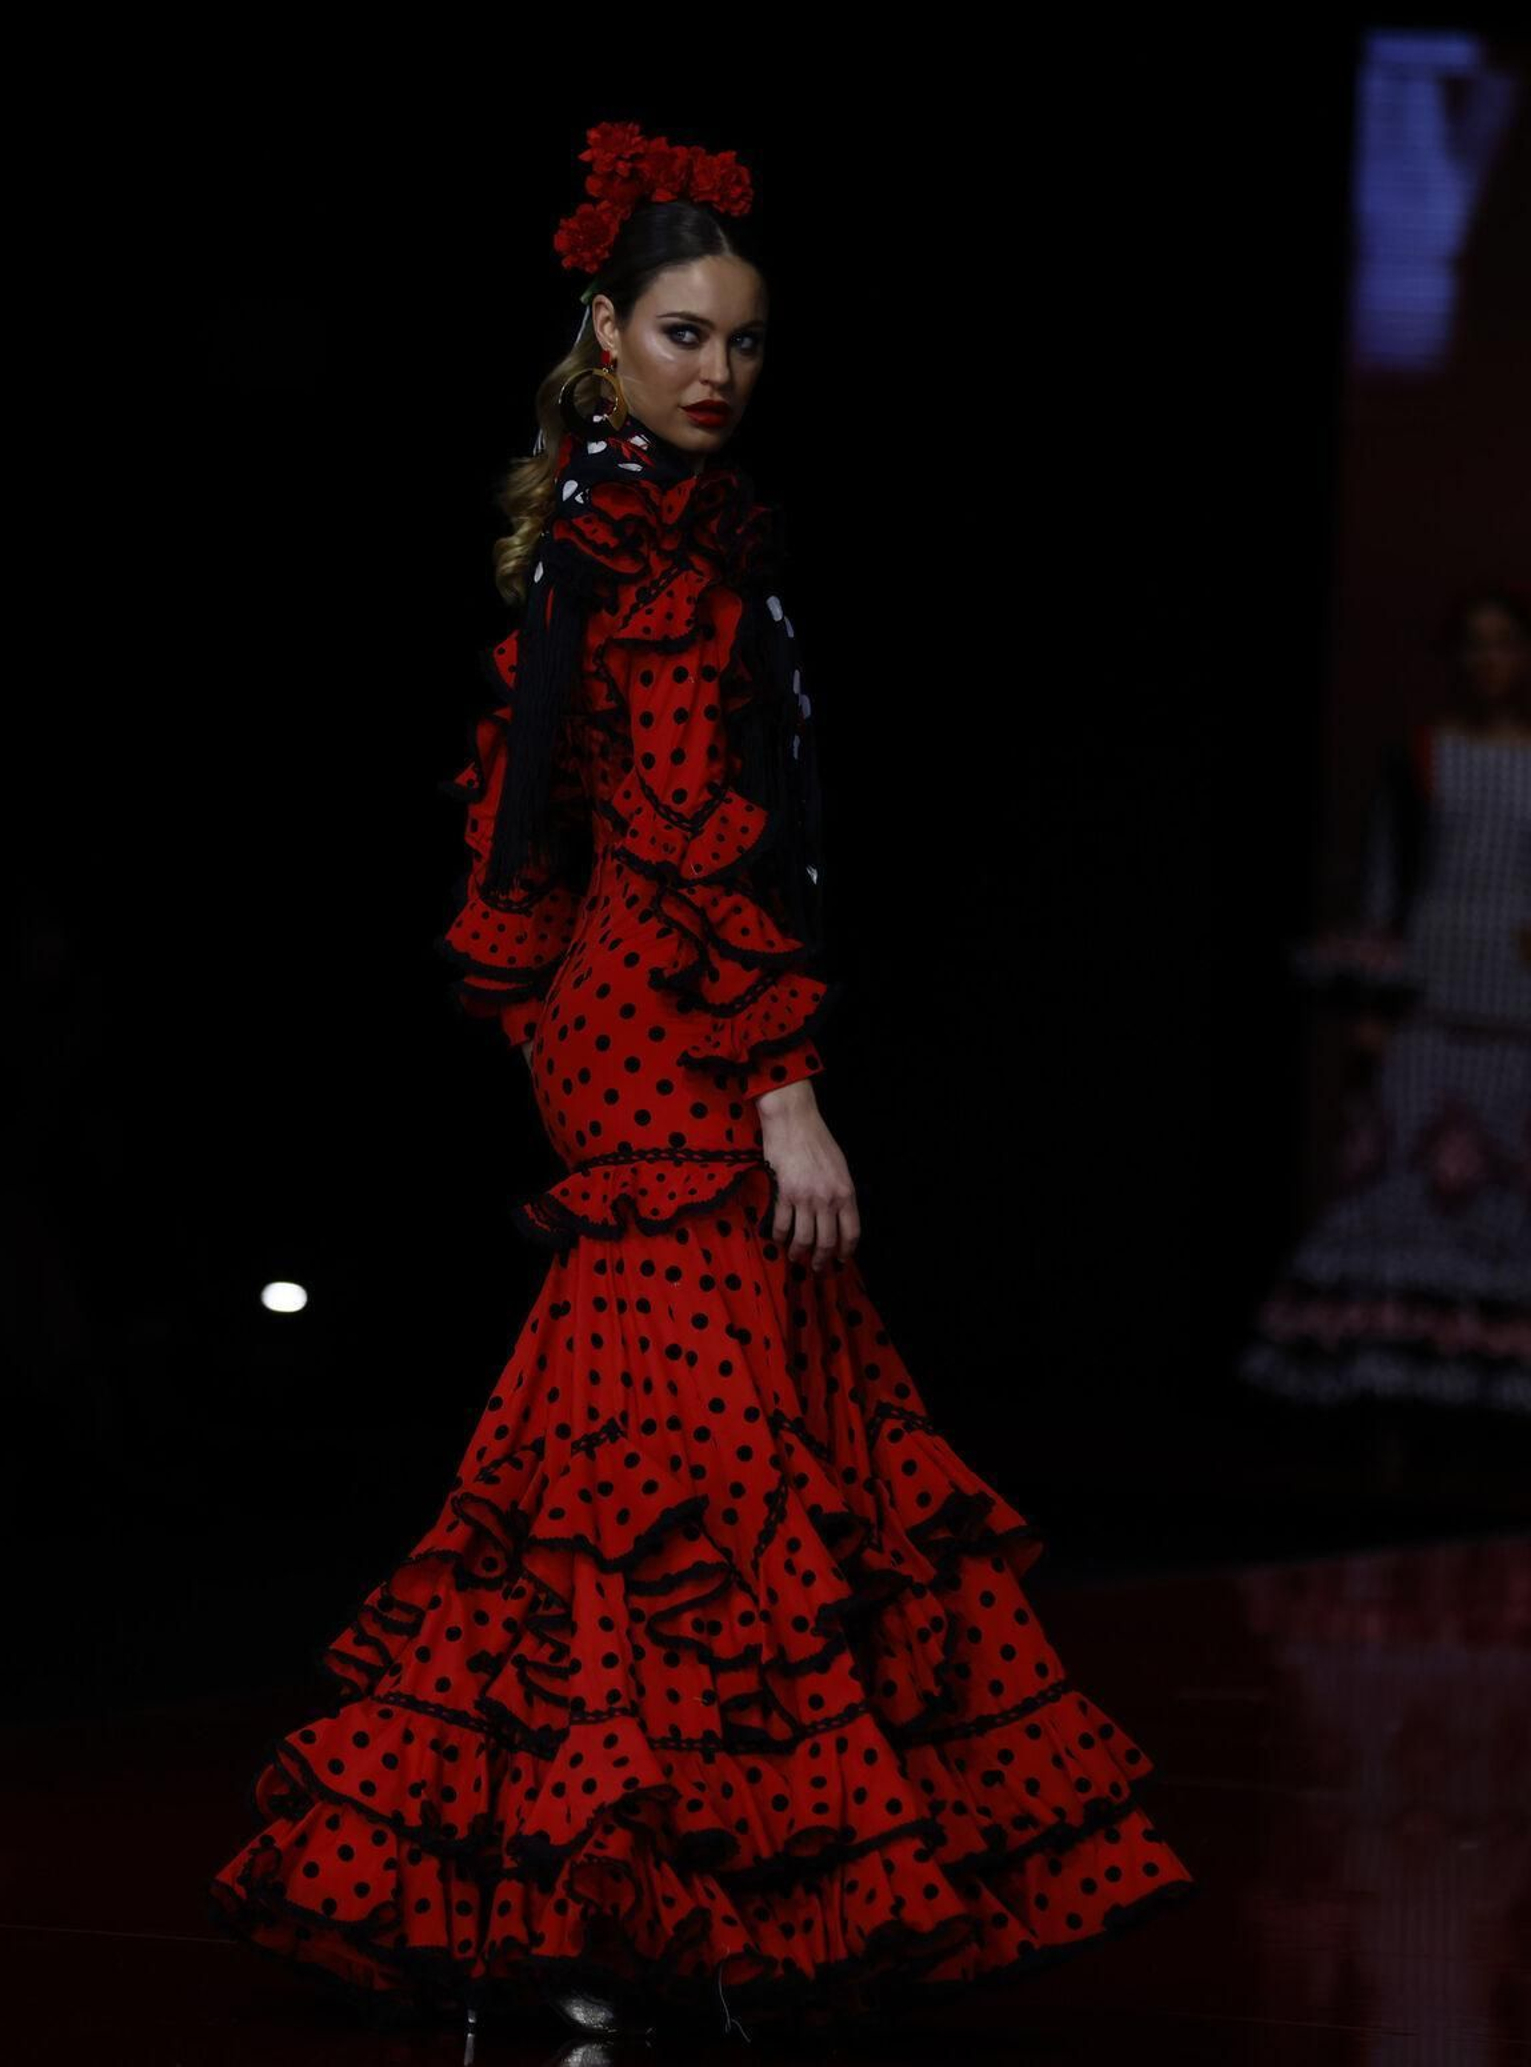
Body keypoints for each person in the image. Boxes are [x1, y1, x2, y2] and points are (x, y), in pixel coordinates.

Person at [208, 121, 1199, 2044]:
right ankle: (621, 1915)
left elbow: (571, 842)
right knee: (686, 1459)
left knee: (660, 1449)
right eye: (680, 334)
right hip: (671, 1027)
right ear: (602, 330)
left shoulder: (643, 525)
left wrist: (576, 987)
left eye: (743, 341)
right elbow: (673, 835)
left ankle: (626, 1910)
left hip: (636, 1009)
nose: (717, 373)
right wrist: (781, 1083)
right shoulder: (632, 537)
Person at [1240, 587, 1531, 1417]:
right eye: (1473, 644)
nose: (1490, 662)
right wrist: (1372, 1003)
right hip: (1432, 990)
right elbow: (1384, 880)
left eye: (1505, 642)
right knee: (1410, 1177)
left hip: (1518, 996)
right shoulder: (1424, 754)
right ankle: (1392, 1397)